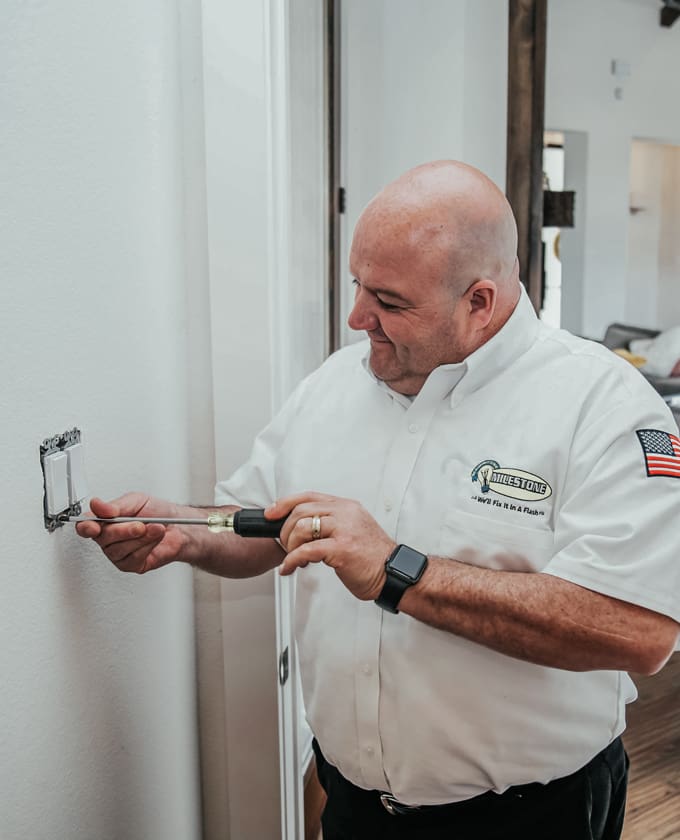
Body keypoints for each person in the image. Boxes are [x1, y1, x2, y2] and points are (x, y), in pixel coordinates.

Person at [77, 161, 680, 840]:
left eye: (389, 302)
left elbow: (639, 631)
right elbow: (265, 522)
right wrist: (185, 532)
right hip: (357, 807)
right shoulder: (335, 385)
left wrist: (398, 570)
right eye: (358, 286)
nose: (357, 316)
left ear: (480, 304)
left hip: (530, 817)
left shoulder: (603, 407)